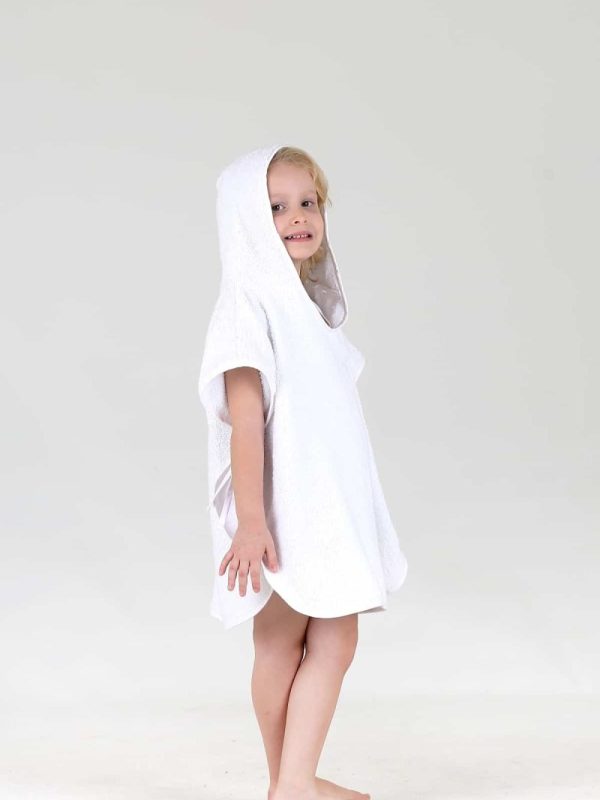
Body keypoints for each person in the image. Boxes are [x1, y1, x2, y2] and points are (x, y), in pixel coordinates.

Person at [197, 144, 408, 800]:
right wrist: (252, 521)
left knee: (308, 642)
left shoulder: (304, 310)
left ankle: (289, 783)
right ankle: (292, 785)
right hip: (283, 511)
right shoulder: (248, 305)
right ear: (244, 221)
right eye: (276, 207)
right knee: (295, 642)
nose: (297, 217)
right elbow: (246, 420)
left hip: (322, 503)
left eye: (308, 203)